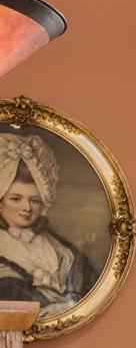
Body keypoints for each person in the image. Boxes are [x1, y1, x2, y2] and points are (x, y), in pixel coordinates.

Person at [0, 132, 96, 317]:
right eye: (16, 199)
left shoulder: (59, 248)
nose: (26, 208)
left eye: (34, 200)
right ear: (0, 203)